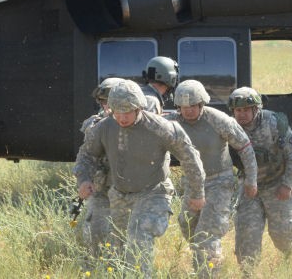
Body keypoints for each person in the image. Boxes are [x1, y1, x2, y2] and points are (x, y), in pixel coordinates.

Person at [73, 79, 206, 277]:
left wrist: (196, 192)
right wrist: (84, 179)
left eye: (127, 111)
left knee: (138, 236)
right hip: (120, 195)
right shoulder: (104, 127)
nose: (122, 117)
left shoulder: (161, 128)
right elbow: (86, 155)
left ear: (139, 108)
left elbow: (191, 158)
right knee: (115, 246)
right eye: (117, 111)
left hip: (154, 193)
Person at [166, 80, 258, 278]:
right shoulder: (172, 122)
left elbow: (245, 148)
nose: (188, 111)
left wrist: (251, 179)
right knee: (186, 224)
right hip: (193, 183)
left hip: (220, 182)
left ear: (201, 104)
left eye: (192, 106)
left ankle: (208, 272)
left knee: (206, 234)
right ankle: (203, 259)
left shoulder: (218, 120)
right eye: (183, 107)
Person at [228, 87, 292, 272]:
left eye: (246, 110)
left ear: (256, 109)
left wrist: (288, 184)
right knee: (246, 234)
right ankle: (248, 273)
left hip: (277, 185)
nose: (242, 115)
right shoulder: (230, 128)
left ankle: (290, 264)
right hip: (250, 188)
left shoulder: (273, 123)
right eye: (238, 110)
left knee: (283, 233)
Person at [78, 77, 123, 260]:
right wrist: (84, 180)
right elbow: (85, 157)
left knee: (123, 236)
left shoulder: (135, 124)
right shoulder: (94, 125)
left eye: (111, 101)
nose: (107, 106)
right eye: (104, 102)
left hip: (126, 191)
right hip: (101, 189)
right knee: (96, 232)